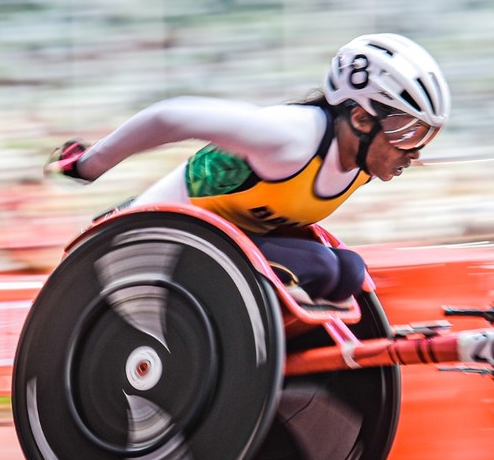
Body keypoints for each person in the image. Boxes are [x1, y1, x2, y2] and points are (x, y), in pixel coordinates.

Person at [45, 33, 451, 308]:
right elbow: (171, 116)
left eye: (427, 135)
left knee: (349, 273)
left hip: (215, 250)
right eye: (409, 131)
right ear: (361, 118)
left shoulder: (365, 158)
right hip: (138, 249)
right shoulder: (289, 136)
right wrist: (87, 164)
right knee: (324, 268)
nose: (414, 152)